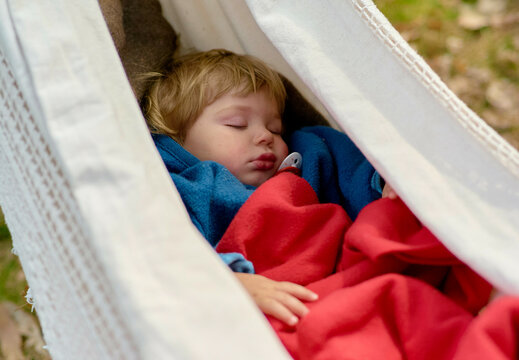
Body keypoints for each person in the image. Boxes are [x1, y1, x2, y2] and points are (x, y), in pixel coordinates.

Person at [142, 49, 396, 327]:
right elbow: (169, 257)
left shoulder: (308, 158)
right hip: (273, 315)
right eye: (236, 124)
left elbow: (351, 169)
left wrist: (384, 181)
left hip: (353, 278)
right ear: (177, 138)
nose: (265, 136)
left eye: (275, 128)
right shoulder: (181, 190)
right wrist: (235, 281)